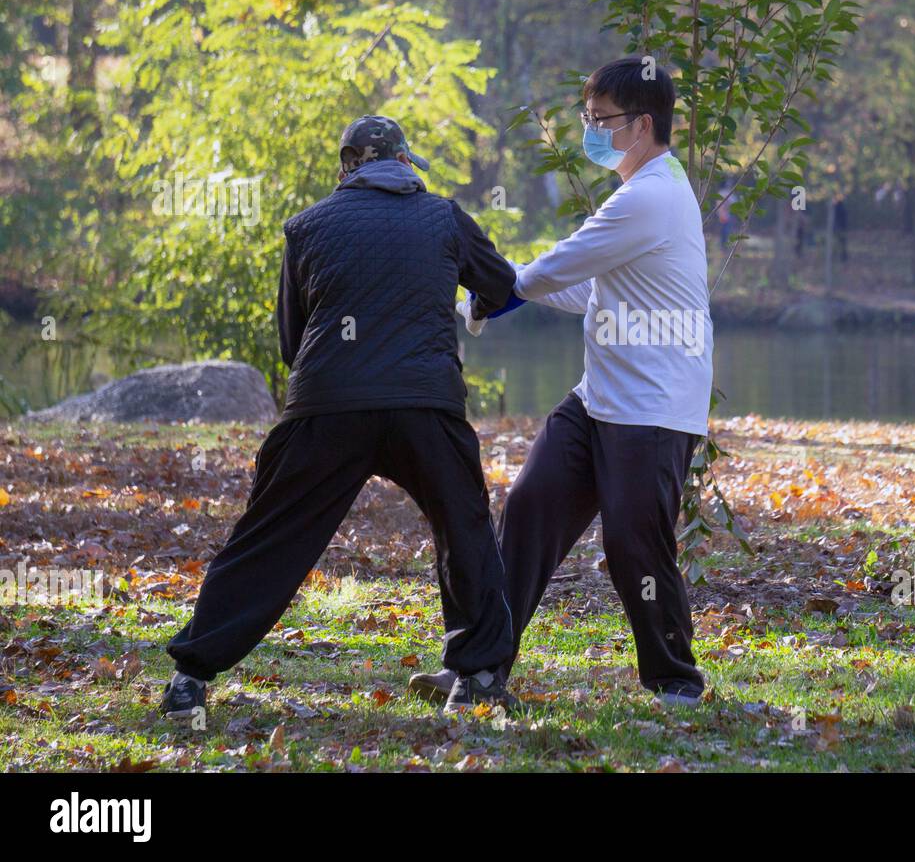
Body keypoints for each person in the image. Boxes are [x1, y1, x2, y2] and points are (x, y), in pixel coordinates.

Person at [162, 115, 520, 721]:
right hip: (424, 405)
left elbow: (290, 342)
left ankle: (190, 678)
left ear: (346, 165)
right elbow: (504, 284)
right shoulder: (445, 218)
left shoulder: (306, 227)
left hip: (327, 406)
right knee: (464, 527)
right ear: (404, 164)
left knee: (270, 537)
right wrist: (479, 305)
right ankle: (479, 676)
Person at [412, 57, 713, 708]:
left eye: (599, 119)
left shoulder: (651, 197)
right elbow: (585, 285)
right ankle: (483, 667)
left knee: (634, 541)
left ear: (641, 124)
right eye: (588, 118)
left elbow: (559, 266)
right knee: (529, 508)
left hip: (655, 407)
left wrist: (492, 285)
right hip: (600, 398)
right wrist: (488, 302)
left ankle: (676, 682)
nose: (591, 130)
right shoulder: (642, 192)